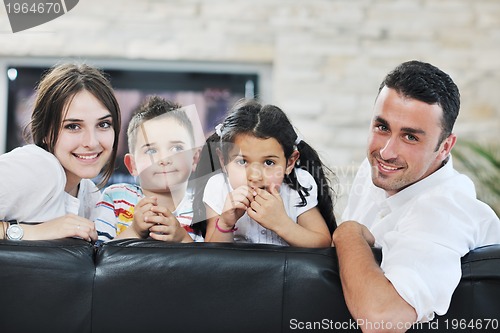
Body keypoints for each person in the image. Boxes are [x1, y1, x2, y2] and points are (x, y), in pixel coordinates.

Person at [333, 60, 500, 331]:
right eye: (382, 127)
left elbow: (382, 320)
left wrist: (347, 233)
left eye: (410, 137)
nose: (386, 151)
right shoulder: (377, 168)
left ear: (445, 146)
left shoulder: (445, 210)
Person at [0, 63, 121, 241]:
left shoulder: (89, 194)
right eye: (73, 126)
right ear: (47, 132)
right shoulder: (38, 168)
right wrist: (30, 232)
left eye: (103, 124)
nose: (91, 142)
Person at [196, 99, 336, 247]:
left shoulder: (297, 185)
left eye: (269, 163)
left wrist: (282, 224)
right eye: (242, 162)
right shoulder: (219, 187)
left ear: (289, 163)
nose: (255, 176)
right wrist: (224, 223)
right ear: (223, 161)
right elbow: (211, 257)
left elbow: (323, 243)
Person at [94, 96, 203, 243]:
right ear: (132, 165)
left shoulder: (202, 207)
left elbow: (210, 264)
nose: (164, 159)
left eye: (177, 148)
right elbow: (97, 256)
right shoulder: (116, 198)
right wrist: (134, 231)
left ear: (194, 158)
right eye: (151, 151)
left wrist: (183, 239)